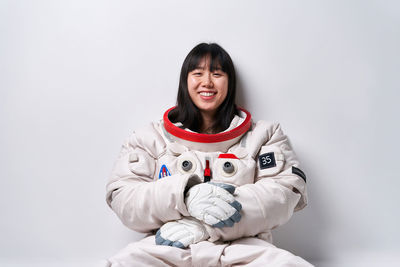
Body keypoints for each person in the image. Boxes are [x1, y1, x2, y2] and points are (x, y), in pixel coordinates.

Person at [105, 43, 312, 266]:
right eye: (198, 73)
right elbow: (124, 197)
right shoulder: (149, 138)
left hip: (245, 248)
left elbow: (283, 194)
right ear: (185, 81)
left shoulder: (265, 135)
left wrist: (205, 226)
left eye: (217, 74)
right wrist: (184, 197)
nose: (207, 82)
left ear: (230, 82)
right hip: (167, 245)